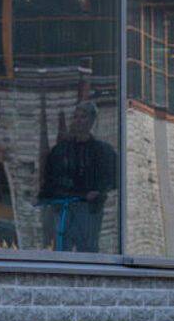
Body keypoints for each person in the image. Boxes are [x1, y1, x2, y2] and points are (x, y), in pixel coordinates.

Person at [38, 103, 118, 253]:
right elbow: (49, 178)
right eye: (76, 117)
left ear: (92, 120)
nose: (79, 121)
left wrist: (98, 191)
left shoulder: (103, 151)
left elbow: (113, 177)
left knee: (87, 249)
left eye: (83, 117)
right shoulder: (61, 150)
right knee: (62, 247)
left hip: (88, 210)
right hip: (64, 207)